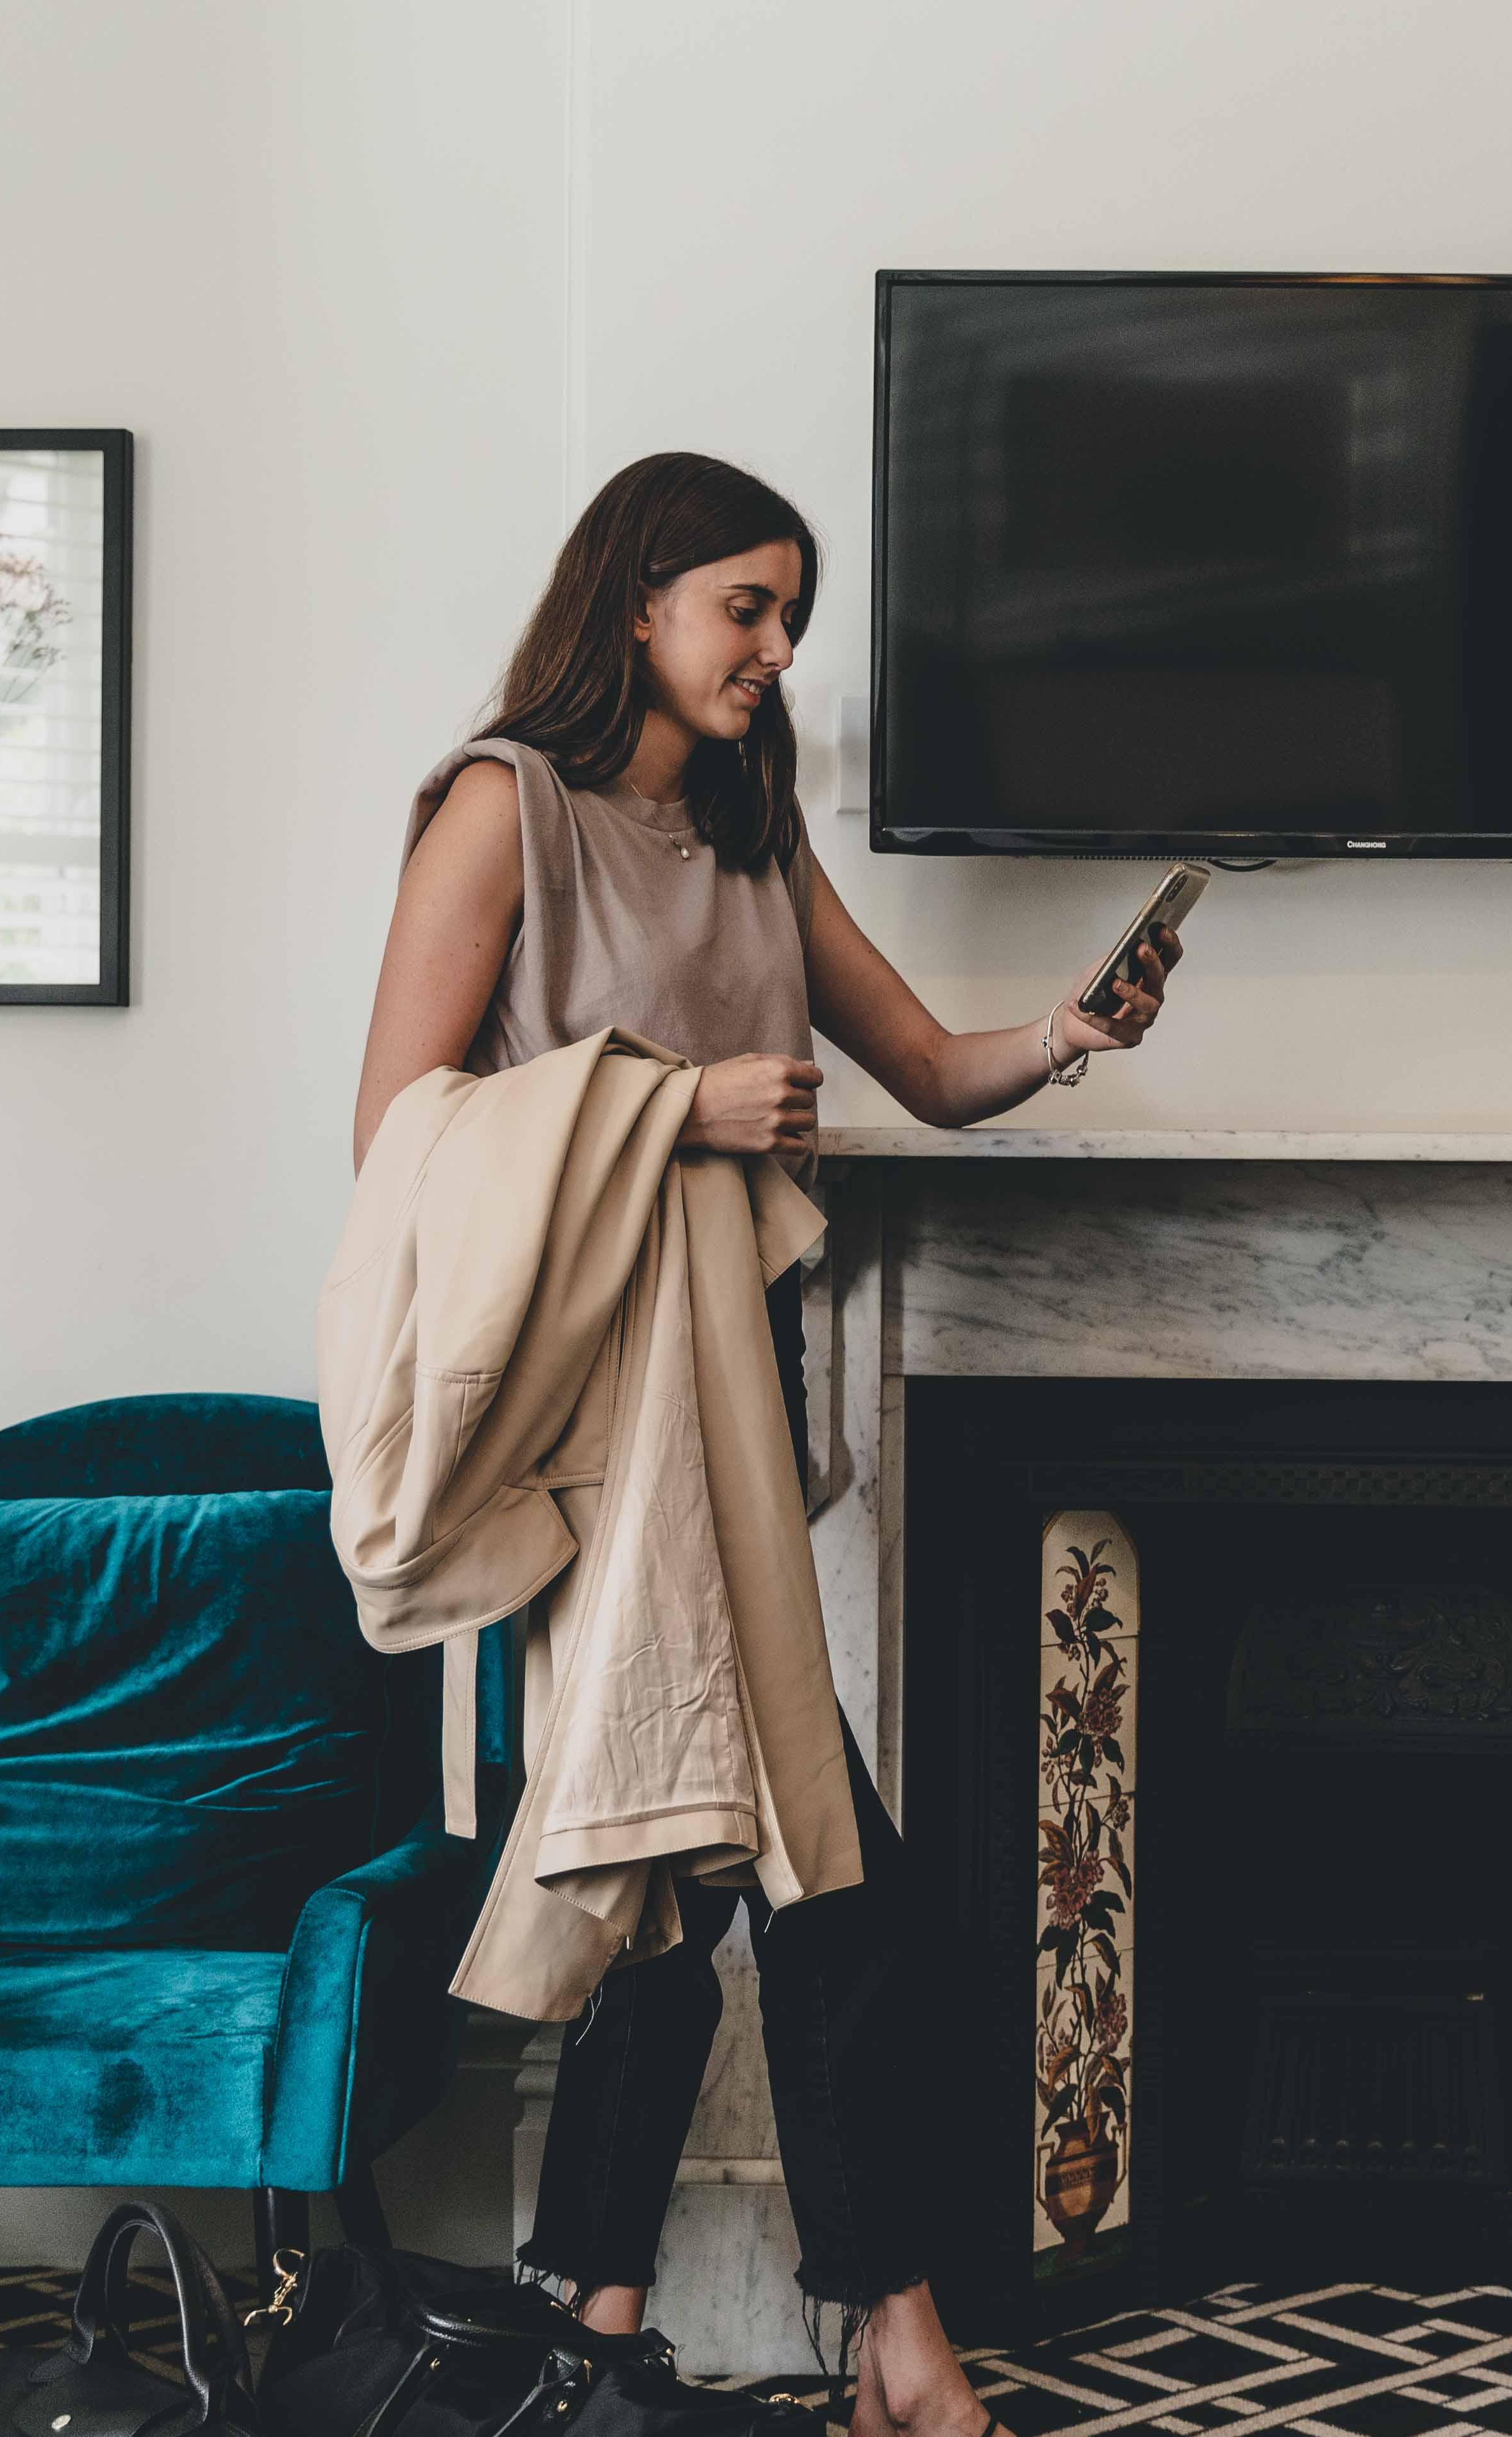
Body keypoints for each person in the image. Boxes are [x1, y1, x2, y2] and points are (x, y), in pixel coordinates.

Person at [351, 453, 1181, 2437]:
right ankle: (893, 2341)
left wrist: (1066, 1033)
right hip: (589, 1439)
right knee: (813, 1874)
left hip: (739, 1402)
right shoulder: (504, 809)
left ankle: (600, 2327)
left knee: (689, 1867)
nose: (779, 647)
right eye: (750, 605)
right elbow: (394, 1136)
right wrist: (671, 1111)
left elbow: (928, 1070)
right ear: (636, 600)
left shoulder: (750, 831)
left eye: (791, 612)